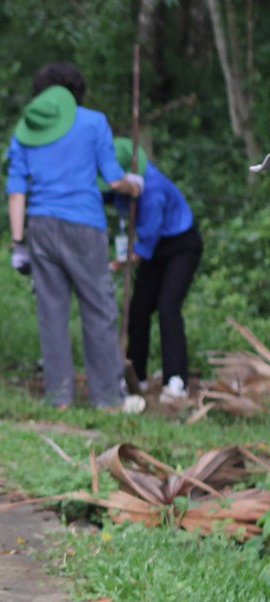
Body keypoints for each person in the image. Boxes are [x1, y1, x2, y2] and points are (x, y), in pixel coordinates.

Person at [6, 62, 146, 413]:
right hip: (84, 225)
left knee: (51, 313)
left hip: (39, 226)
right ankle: (107, 399)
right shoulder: (93, 122)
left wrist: (18, 241)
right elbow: (114, 180)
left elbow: (16, 192)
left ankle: (60, 398)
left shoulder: (26, 129)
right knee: (98, 309)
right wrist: (135, 184)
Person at [106, 137, 203, 404]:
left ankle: (176, 380)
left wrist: (114, 265)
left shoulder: (153, 192)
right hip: (154, 249)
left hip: (180, 245)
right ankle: (137, 374)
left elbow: (144, 245)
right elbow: (104, 194)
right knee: (139, 308)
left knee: (168, 306)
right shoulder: (120, 183)